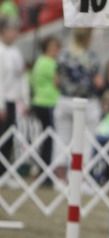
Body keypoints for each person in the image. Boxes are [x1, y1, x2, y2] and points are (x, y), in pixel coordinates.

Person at [53, 27, 103, 182]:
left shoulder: (63, 55)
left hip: (65, 100)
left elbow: (56, 81)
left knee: (62, 138)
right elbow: (98, 82)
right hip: (87, 103)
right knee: (86, 142)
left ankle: (59, 177)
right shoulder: (92, 57)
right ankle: (80, 178)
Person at [0, 17, 29, 182]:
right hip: (3, 101)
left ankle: (4, 172)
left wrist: (25, 100)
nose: (14, 33)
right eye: (11, 30)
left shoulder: (16, 52)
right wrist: (1, 105)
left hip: (13, 101)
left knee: (9, 138)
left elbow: (22, 77)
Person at [30, 35, 61, 183]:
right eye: (54, 47)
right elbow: (57, 82)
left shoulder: (39, 61)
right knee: (49, 138)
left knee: (45, 137)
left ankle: (42, 170)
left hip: (38, 101)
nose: (57, 50)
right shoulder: (50, 63)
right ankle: (45, 173)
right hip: (48, 102)